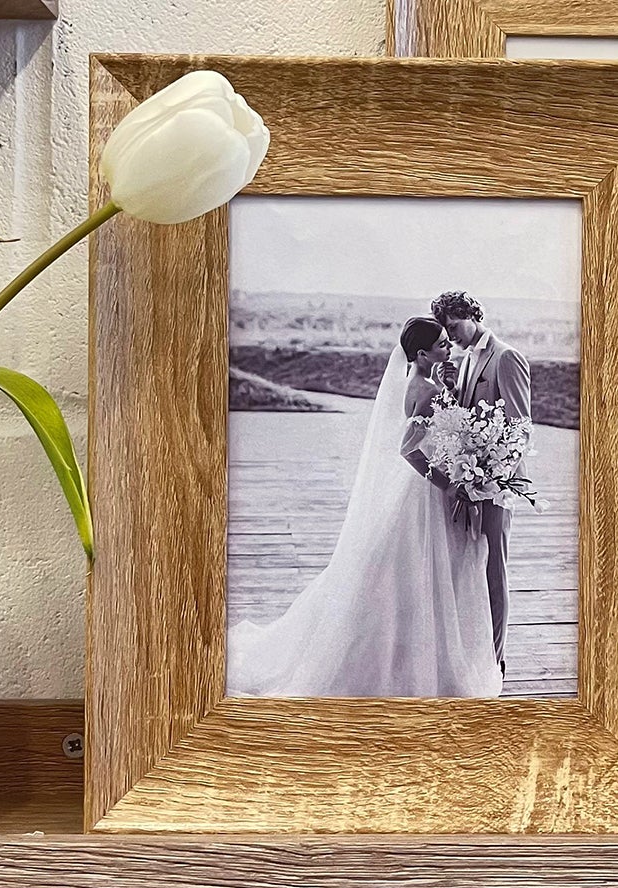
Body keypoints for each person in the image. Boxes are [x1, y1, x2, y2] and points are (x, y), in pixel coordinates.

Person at [226, 315, 501, 698]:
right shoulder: (422, 390)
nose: (448, 347)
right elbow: (408, 450)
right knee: (414, 574)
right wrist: (449, 484)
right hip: (425, 494)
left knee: (420, 575)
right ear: (421, 354)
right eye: (440, 344)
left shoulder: (426, 382)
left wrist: (447, 389)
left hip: (427, 491)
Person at [429, 290, 532, 674]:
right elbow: (469, 418)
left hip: (497, 485)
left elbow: (521, 428)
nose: (450, 336)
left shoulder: (505, 358)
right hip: (471, 481)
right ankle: (477, 651)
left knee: (493, 568)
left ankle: (495, 659)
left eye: (453, 327)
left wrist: (492, 478)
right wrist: (452, 389)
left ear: (471, 315)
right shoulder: (466, 358)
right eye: (445, 330)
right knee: (473, 566)